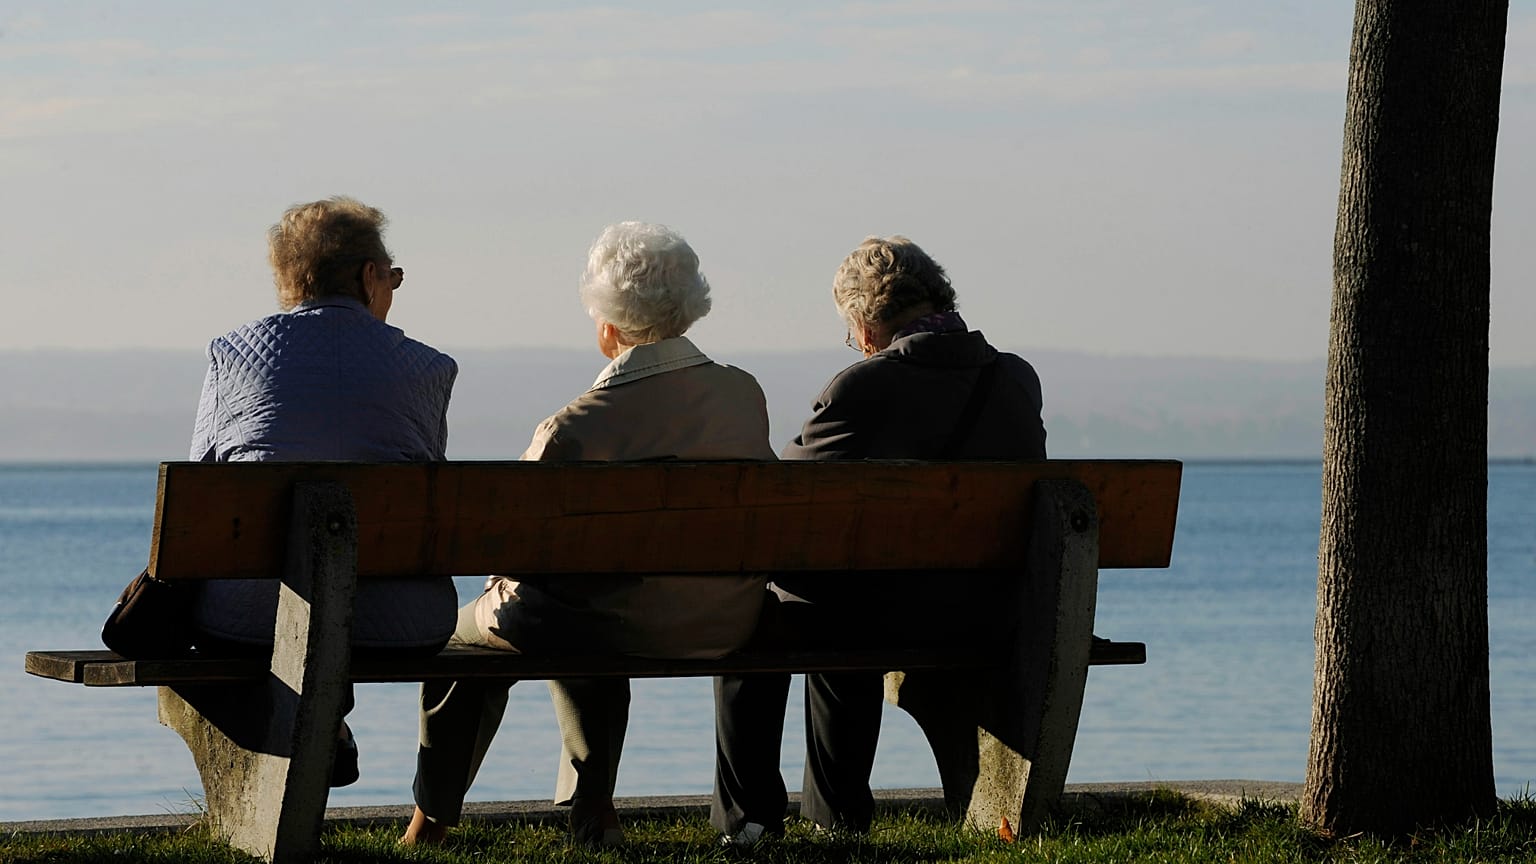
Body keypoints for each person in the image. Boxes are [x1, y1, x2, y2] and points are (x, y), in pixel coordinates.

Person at [402, 222, 776, 848]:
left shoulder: (574, 429)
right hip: (723, 619)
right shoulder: (744, 395)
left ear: (607, 327)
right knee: (578, 598)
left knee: (474, 639)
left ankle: (431, 820)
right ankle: (592, 813)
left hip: (606, 621)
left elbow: (514, 550)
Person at [711, 235, 1048, 844]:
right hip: (989, 616)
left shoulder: (861, 388)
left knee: (765, 616)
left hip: (882, 618)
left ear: (867, 322)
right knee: (846, 601)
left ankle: (753, 819)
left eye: (851, 330)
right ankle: (835, 814)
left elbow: (777, 504)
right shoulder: (1015, 378)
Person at [188, 196, 460, 785]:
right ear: (368, 277)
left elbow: (201, 493)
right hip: (400, 624)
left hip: (248, 620)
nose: (392, 289)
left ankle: (314, 731)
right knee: (344, 582)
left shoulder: (231, 355)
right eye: (393, 277)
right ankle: (327, 723)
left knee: (261, 612)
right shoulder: (429, 369)